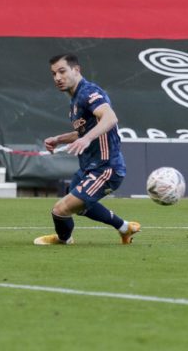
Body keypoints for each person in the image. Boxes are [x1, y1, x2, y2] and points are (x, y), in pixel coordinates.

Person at [34, 54, 141, 245]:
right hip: (88, 167)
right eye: (53, 74)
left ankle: (64, 239)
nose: (57, 78)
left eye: (62, 71)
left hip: (106, 168)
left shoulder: (89, 92)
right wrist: (59, 139)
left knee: (60, 210)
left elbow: (110, 118)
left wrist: (87, 138)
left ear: (76, 70)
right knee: (79, 205)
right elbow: (85, 130)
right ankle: (125, 228)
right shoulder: (75, 101)